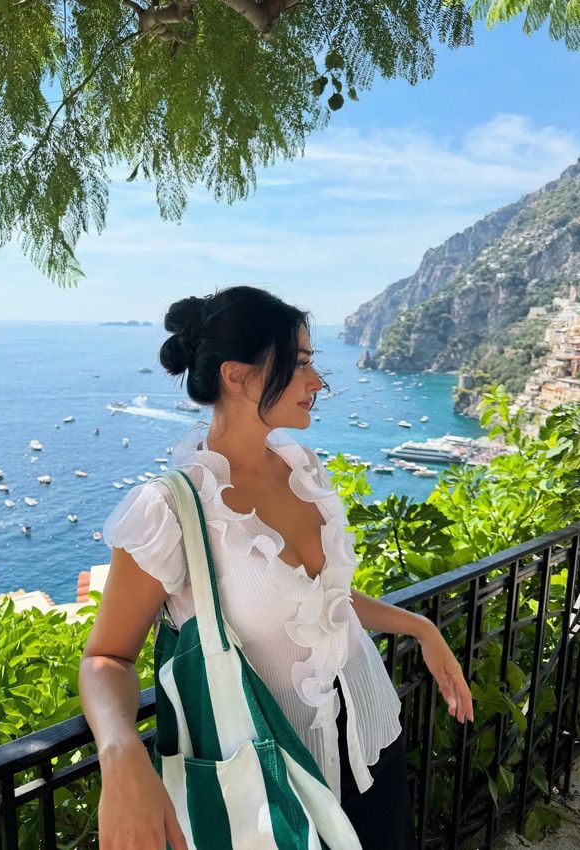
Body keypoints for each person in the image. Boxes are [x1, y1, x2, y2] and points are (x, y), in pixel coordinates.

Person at [78, 285, 474, 850]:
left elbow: (325, 599)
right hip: (275, 783)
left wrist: (420, 626)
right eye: (302, 363)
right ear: (238, 376)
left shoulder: (302, 466)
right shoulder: (172, 510)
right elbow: (107, 658)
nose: (318, 382)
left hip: (372, 735)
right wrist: (120, 754)